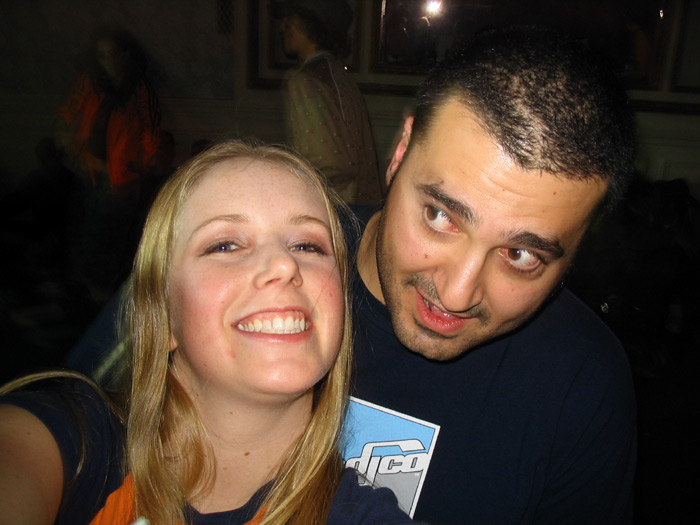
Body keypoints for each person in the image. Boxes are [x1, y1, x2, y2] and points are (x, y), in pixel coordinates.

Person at [0, 141, 418, 524]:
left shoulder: (362, 515)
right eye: (225, 245)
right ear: (164, 315)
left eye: (308, 246)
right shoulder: (79, 439)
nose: (284, 264)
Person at [344, 27, 638, 523]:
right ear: (400, 154)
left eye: (520, 255)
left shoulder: (584, 385)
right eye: (440, 216)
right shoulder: (265, 273)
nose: (456, 295)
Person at [55, 25, 161, 302]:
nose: (109, 61)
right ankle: (78, 288)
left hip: (123, 175)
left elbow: (150, 128)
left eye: (114, 53)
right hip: (89, 169)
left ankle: (101, 289)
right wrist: (66, 139)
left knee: (112, 234)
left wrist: (142, 160)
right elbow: (69, 111)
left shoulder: (138, 88)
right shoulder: (90, 82)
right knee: (82, 228)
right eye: (102, 56)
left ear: (126, 54)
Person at [278, 0, 383, 205]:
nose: (282, 26)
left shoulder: (304, 80)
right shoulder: (340, 74)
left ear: (306, 24)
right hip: (361, 205)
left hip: (332, 206)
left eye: (289, 19)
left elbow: (325, 164)